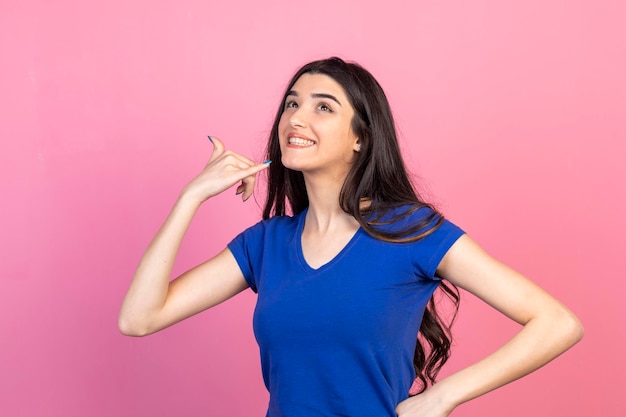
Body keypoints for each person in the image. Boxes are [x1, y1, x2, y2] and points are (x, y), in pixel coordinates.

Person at [119, 57, 583, 417]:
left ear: (360, 137)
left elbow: (557, 322)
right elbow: (139, 317)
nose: (297, 118)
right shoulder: (265, 244)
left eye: (324, 107)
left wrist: (443, 397)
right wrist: (191, 197)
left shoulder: (411, 232)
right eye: (292, 103)